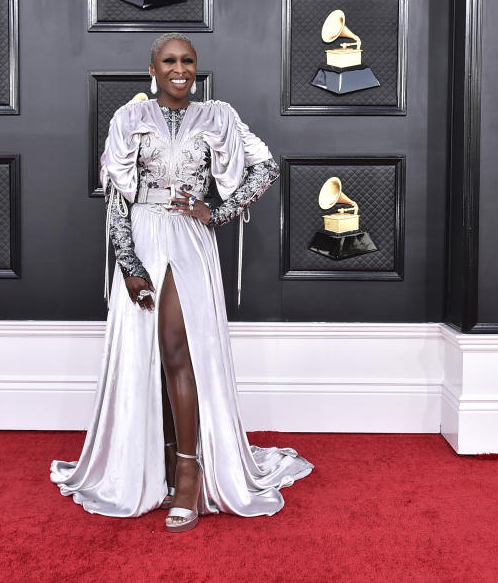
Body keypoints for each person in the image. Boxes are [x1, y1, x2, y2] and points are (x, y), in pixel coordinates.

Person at [50, 33, 312, 533]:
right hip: (145, 236)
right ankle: (162, 463)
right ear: (152, 67)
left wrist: (217, 211)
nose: (179, 69)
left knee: (177, 348)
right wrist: (128, 263)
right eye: (169, 60)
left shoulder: (220, 117)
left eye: (187, 61)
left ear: (197, 67)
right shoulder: (127, 119)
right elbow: (117, 199)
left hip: (191, 238)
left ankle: (189, 471)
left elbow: (267, 166)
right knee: (147, 355)